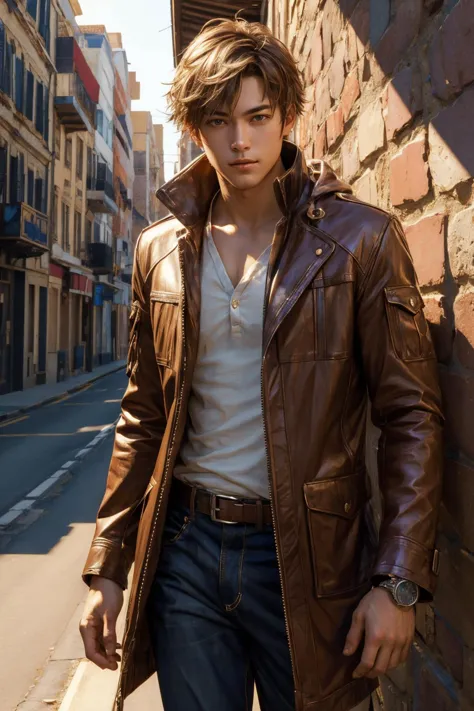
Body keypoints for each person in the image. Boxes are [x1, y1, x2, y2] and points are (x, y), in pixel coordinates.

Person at [79, 17, 443, 711]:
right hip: (187, 552)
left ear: (287, 115)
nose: (239, 141)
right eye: (218, 120)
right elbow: (142, 415)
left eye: (257, 116)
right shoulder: (159, 251)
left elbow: (412, 415)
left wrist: (398, 580)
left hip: (311, 559)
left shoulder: (359, 241)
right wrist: (109, 566)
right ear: (194, 127)